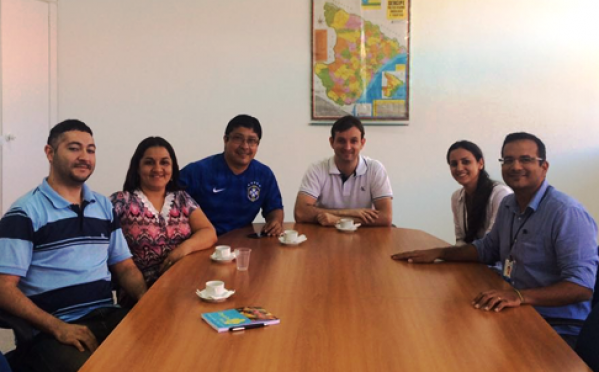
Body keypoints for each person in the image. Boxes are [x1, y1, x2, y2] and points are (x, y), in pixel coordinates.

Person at [392, 132, 598, 348]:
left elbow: (581, 287)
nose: (515, 166)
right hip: (516, 309)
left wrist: (519, 296)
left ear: (544, 166)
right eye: (508, 160)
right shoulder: (509, 204)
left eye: (525, 159)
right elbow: (486, 249)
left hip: (558, 326)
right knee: (446, 332)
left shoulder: (566, 213)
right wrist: (439, 253)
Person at [0, 120, 147, 372]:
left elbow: (124, 267)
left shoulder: (103, 207)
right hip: (54, 329)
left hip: (106, 315)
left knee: (164, 348)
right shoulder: (24, 213)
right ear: (50, 152)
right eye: (74, 148)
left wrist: (147, 302)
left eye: (90, 150)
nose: (84, 157)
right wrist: (57, 327)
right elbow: (4, 288)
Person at [111, 137, 217, 293]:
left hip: (186, 288)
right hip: (140, 293)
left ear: (173, 168)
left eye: (164, 162)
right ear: (137, 168)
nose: (157, 169)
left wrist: (182, 250)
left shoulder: (182, 199)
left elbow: (208, 232)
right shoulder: (121, 201)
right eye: (149, 162)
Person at [179, 115, 284, 236]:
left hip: (241, 242)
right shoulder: (197, 171)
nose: (245, 146)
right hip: (201, 241)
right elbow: (168, 206)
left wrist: (275, 221)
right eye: (238, 138)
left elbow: (274, 208)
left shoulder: (264, 174)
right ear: (225, 139)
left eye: (251, 141)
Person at [294, 115, 393, 227]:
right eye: (341, 141)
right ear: (332, 142)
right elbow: (300, 213)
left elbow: (386, 217)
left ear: (362, 143)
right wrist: (349, 212)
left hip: (364, 236)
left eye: (353, 141)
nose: (347, 147)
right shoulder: (317, 169)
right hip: (325, 235)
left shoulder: (375, 169)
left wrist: (338, 219)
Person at [447, 140, 512, 245]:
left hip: (496, 260)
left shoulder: (500, 194)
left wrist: (441, 253)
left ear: (480, 163)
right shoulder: (456, 197)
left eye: (466, 162)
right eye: (454, 164)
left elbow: (491, 243)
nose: (459, 168)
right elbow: (460, 240)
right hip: (471, 259)